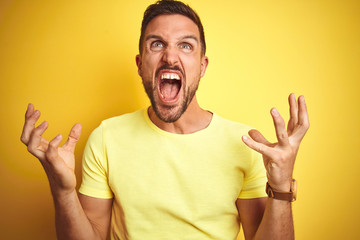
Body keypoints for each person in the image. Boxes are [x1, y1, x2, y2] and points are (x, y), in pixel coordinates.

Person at [20, 0, 309, 239]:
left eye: (186, 46)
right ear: (140, 63)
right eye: (157, 44)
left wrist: (282, 188)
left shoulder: (246, 144)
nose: (170, 57)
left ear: (202, 65)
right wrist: (63, 191)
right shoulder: (107, 137)